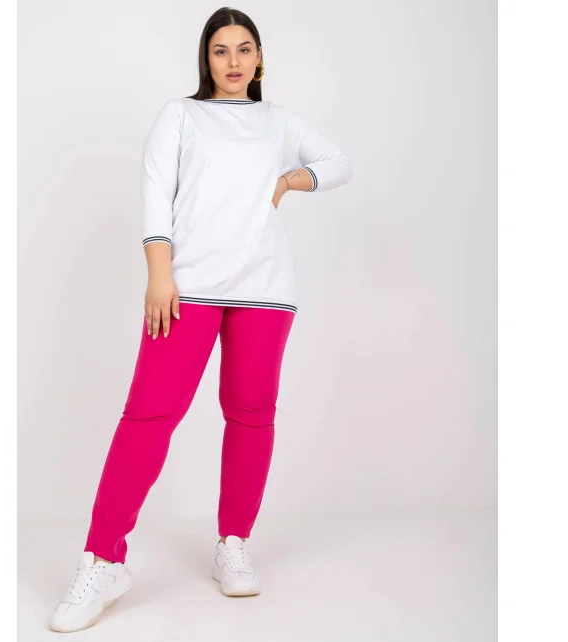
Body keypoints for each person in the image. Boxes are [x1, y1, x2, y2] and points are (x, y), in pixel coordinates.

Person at [48, 6, 353, 633]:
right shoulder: (180, 115)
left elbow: (339, 163)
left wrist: (293, 179)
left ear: (260, 59)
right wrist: (160, 274)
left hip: (264, 289)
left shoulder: (278, 121)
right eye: (221, 50)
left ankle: (233, 543)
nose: (233, 61)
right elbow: (155, 192)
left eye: (245, 49)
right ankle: (103, 561)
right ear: (205, 59)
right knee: (149, 414)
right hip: (188, 289)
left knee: (250, 413)